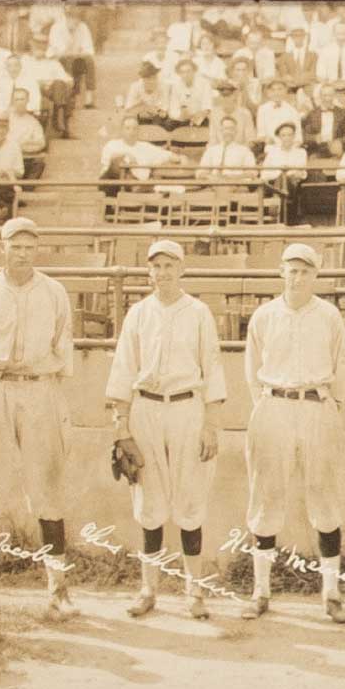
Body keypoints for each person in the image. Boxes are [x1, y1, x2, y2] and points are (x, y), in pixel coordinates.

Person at [0, 220, 83, 621]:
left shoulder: (54, 292)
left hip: (40, 388)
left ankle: (58, 590)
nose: (23, 253)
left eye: (30, 246)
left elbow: (63, 345)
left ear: (37, 249)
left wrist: (44, 382)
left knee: (48, 487)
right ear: (3, 248)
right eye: (16, 246)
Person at [108, 239, 225, 620]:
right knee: (149, 502)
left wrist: (211, 424)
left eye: (169, 265)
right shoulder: (138, 313)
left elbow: (212, 367)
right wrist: (121, 425)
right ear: (149, 271)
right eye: (156, 266)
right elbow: (123, 368)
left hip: (188, 408)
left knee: (190, 500)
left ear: (182, 269)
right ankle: (148, 590)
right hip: (146, 407)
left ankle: (194, 591)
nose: (163, 273)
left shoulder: (199, 312)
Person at [243, 243, 345, 623]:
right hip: (274, 404)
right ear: (282, 272)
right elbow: (252, 368)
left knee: (324, 495)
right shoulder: (264, 315)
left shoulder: (328, 315)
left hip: (315, 405)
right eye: (292, 270)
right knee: (266, 495)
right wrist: (265, 403)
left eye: (305, 271)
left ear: (315, 275)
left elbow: (342, 362)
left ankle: (331, 593)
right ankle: (261, 590)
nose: (298, 277)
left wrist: (334, 405)